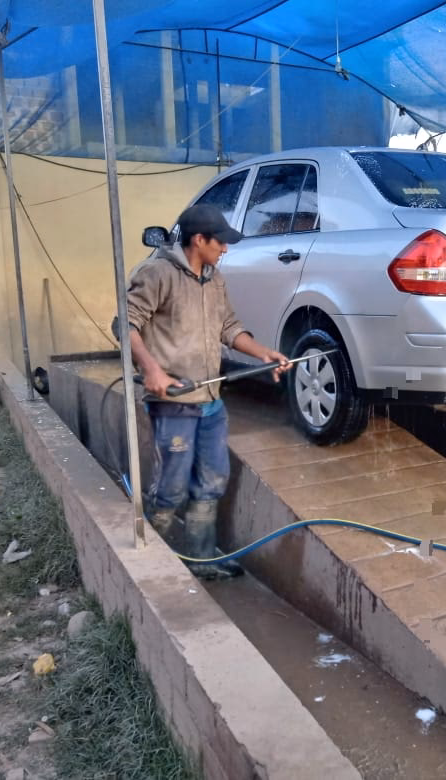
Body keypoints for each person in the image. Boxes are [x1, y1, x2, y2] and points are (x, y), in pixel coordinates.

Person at [120, 203, 289, 579]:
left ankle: (201, 561)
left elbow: (229, 327)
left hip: (210, 402)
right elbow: (125, 324)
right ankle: (153, 565)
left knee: (212, 482)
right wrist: (152, 370)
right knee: (171, 487)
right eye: (220, 242)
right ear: (199, 240)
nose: (225, 248)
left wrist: (263, 353)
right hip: (174, 403)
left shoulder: (214, 279)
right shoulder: (157, 274)